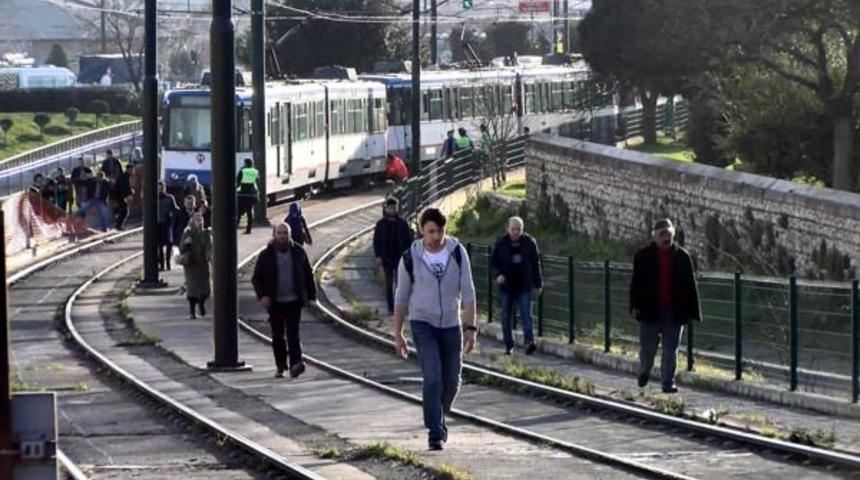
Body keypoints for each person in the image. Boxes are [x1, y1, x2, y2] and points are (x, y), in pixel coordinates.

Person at [393, 208, 477, 451]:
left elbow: (468, 291)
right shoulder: (410, 258)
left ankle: (439, 414)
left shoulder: (457, 252)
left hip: (451, 324)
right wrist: (398, 334)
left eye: (440, 231)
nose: (436, 236)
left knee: (452, 381)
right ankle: (435, 432)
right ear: (422, 230)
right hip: (423, 323)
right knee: (433, 377)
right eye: (431, 231)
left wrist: (471, 328)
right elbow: (401, 297)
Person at [629, 218, 701, 394]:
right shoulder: (643, 256)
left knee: (670, 349)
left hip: (674, 312)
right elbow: (636, 283)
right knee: (648, 348)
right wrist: (635, 305)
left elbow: (690, 286)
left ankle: (668, 382)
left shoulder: (682, 257)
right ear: (654, 237)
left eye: (668, 234)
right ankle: (645, 370)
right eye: (662, 234)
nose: (666, 238)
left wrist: (693, 311)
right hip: (649, 310)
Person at [251, 222, 317, 379]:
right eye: (279, 233)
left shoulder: (298, 252)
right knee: (278, 335)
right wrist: (262, 296)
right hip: (275, 302)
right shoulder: (266, 254)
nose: (282, 236)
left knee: (293, 333)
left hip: (294, 300)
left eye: (285, 233)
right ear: (274, 235)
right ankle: (280, 365)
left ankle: (296, 364)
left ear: (290, 235)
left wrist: (311, 297)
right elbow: (256, 278)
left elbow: (308, 274)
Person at [491, 216, 543, 356]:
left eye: (518, 229)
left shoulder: (529, 243)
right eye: (513, 229)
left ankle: (529, 342)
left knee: (527, 315)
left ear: (522, 229)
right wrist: (498, 275)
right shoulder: (501, 243)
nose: (515, 232)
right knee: (506, 316)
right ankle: (509, 345)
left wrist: (538, 284)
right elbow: (494, 263)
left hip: (524, 284)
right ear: (508, 229)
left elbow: (536, 265)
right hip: (507, 285)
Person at [373, 197, 413, 315]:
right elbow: (376, 241)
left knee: (400, 284)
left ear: (397, 208)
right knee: (389, 283)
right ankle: (391, 308)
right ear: (386, 209)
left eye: (394, 207)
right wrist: (378, 256)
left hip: (400, 257)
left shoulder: (403, 223)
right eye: (390, 208)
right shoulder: (381, 224)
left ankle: (400, 307)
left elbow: (408, 240)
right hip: (386, 258)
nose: (392, 210)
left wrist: (408, 255)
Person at [179, 212, 211, 319]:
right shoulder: (187, 233)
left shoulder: (205, 233)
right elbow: (181, 248)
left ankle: (201, 304)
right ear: (193, 222)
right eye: (197, 220)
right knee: (192, 290)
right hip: (191, 265)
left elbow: (209, 247)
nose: (200, 223)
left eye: (201, 220)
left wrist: (210, 256)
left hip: (203, 264)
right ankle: (192, 311)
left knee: (204, 289)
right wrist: (186, 243)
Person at [157, 180, 179, 270]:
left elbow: (175, 209)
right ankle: (162, 264)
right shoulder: (153, 198)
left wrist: (173, 217)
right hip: (157, 224)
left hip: (167, 224)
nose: (160, 190)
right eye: (159, 188)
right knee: (159, 245)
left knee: (169, 243)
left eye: (162, 188)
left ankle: (168, 263)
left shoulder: (170, 198)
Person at [236, 158, 259, 234]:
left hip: (243, 194)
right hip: (252, 195)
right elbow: (257, 182)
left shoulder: (242, 170)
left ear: (245, 163)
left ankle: (236, 225)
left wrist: (236, 189)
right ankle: (249, 229)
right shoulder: (255, 171)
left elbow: (238, 181)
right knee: (249, 212)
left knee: (239, 211)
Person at [112, 163, 134, 230]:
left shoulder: (124, 176)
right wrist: (128, 194)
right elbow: (125, 187)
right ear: (129, 169)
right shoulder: (126, 176)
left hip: (120, 196)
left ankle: (119, 225)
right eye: (132, 169)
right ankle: (118, 225)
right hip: (121, 196)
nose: (132, 171)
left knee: (123, 211)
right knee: (124, 211)